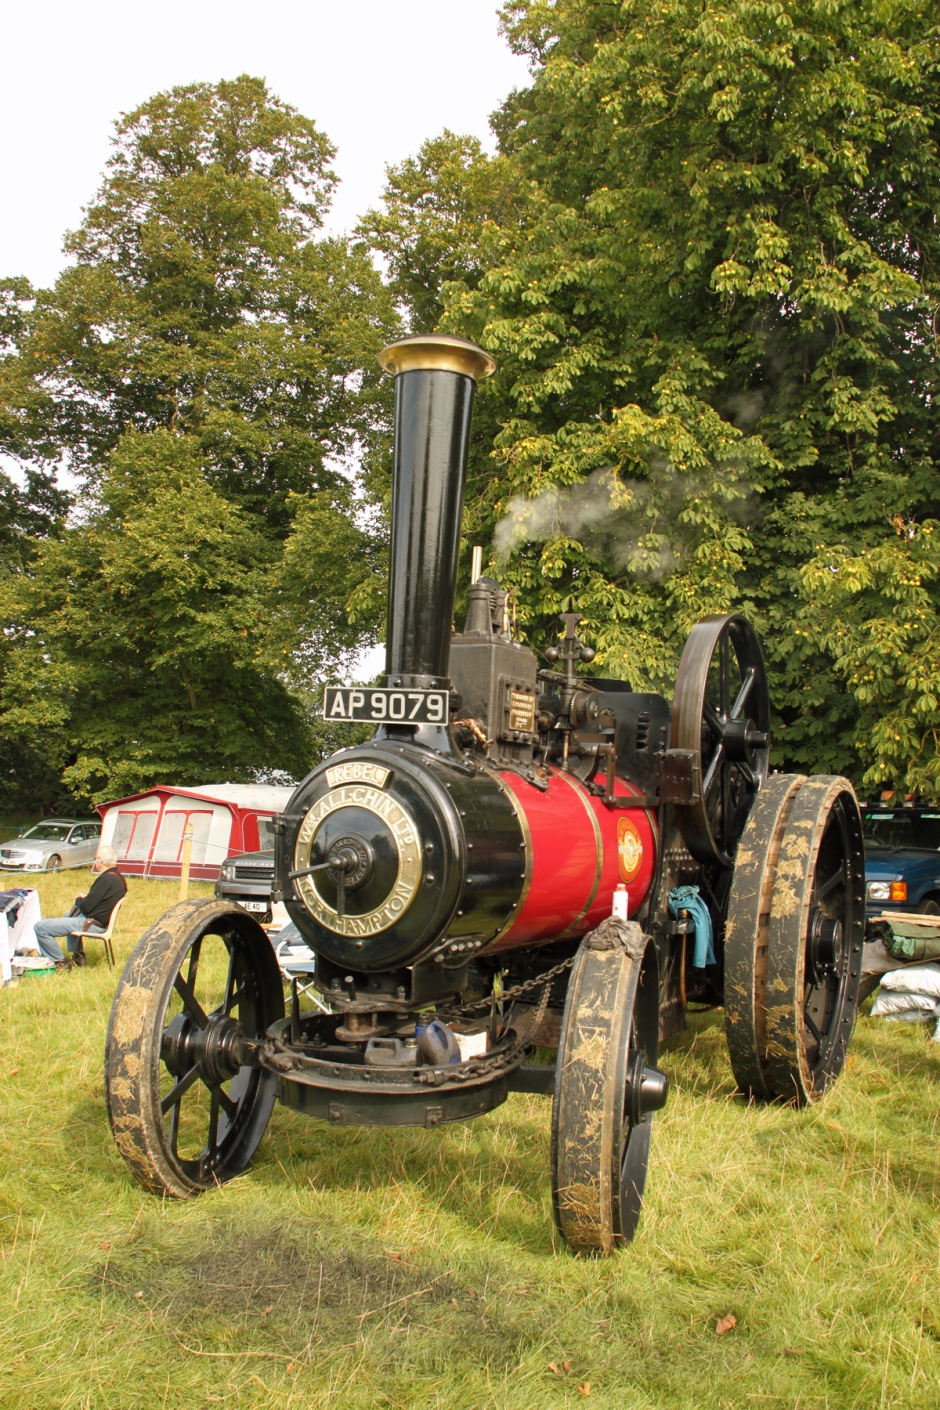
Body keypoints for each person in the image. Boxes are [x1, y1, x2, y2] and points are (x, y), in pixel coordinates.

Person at [33, 845, 127, 969]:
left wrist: (79, 899)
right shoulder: (118, 878)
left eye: (96, 858)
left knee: (40, 927)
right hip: (101, 921)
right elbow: (102, 900)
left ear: (100, 861)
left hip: (91, 923)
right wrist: (87, 897)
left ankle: (60, 962)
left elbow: (86, 907)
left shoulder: (105, 880)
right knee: (68, 915)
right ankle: (78, 956)